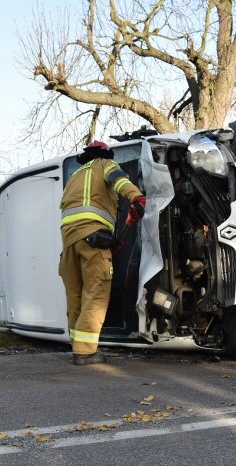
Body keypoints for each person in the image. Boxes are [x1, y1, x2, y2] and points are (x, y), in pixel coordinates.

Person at [59, 140, 145, 365]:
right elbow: (119, 181)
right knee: (96, 293)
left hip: (69, 243)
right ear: (106, 154)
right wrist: (136, 198)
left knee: (75, 296)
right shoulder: (104, 164)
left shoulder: (75, 177)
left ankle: (78, 347)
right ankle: (86, 352)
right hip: (93, 240)